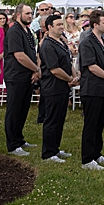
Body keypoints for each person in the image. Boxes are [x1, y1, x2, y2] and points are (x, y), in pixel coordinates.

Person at [38, 14, 78, 163]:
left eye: (62, 24)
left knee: (60, 119)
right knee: (52, 120)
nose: (62, 27)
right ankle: (48, 153)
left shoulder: (61, 42)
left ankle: (55, 148)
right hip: (53, 87)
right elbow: (54, 69)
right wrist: (69, 80)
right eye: (58, 25)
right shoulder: (48, 45)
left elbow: (68, 61)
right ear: (49, 28)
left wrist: (74, 77)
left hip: (63, 87)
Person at [79, 10, 104, 171]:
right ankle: (87, 158)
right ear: (96, 24)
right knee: (91, 123)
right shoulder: (87, 42)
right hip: (92, 88)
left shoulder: (103, 41)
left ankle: (96, 152)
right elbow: (91, 66)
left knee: (100, 123)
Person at [3, 4, 41, 157]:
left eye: (31, 13)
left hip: (27, 75)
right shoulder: (14, 31)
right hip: (16, 76)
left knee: (23, 109)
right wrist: (36, 69)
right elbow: (19, 55)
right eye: (27, 13)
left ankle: (19, 138)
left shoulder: (27, 30)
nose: (30, 16)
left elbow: (32, 52)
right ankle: (12, 144)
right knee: (14, 110)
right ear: (18, 14)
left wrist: (34, 70)